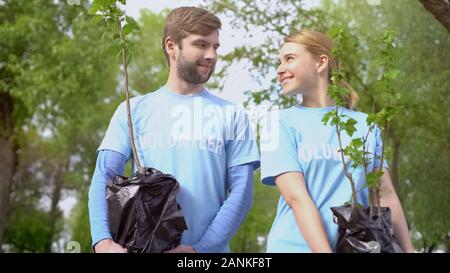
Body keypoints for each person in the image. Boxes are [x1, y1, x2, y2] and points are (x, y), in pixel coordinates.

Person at [88, 7, 260, 253]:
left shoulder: (232, 115)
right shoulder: (132, 110)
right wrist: (102, 241)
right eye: (201, 44)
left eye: (215, 46)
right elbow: (104, 175)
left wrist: (198, 250)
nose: (211, 55)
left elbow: (241, 192)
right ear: (171, 46)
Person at [260, 30, 414, 253]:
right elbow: (296, 198)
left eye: (289, 59)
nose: (279, 69)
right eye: (279, 61)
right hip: (295, 247)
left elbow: (385, 194)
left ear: (321, 62)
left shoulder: (365, 125)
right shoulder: (278, 122)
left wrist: (409, 250)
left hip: (356, 248)